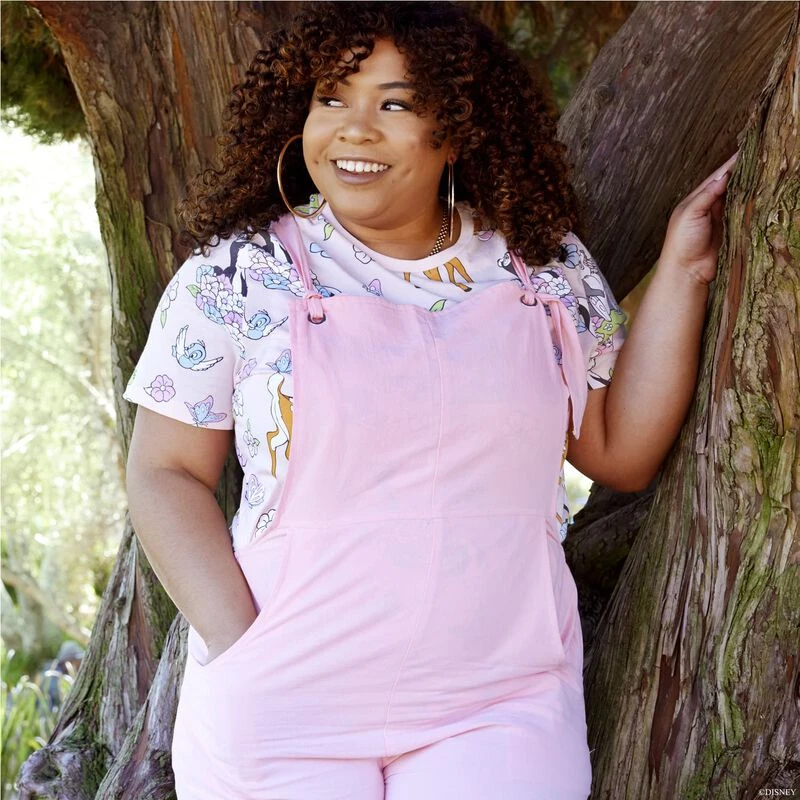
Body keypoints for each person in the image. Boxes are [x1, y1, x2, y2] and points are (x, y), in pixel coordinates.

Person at [124, 3, 736, 798]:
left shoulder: (541, 267)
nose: (354, 128)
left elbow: (619, 452)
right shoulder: (236, 273)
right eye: (332, 98)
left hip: (498, 702)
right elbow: (165, 471)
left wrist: (685, 267)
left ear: (456, 131)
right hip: (282, 701)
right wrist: (238, 641)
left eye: (396, 104)